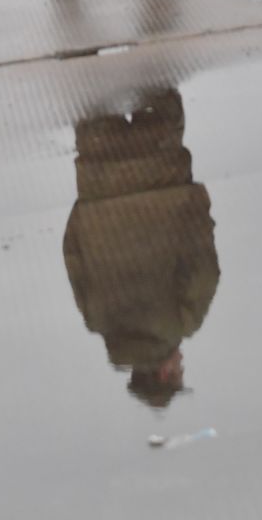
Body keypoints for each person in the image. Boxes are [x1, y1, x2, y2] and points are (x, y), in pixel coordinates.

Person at [62, 88, 220, 408]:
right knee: (86, 82)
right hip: (100, 172)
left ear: (165, 372)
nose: (180, 361)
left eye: (179, 369)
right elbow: (72, 254)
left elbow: (204, 262)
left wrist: (193, 200)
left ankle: (151, 37)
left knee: (158, 78)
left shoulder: (183, 320)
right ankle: (77, 39)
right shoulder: (97, 320)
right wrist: (88, 210)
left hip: (160, 169)